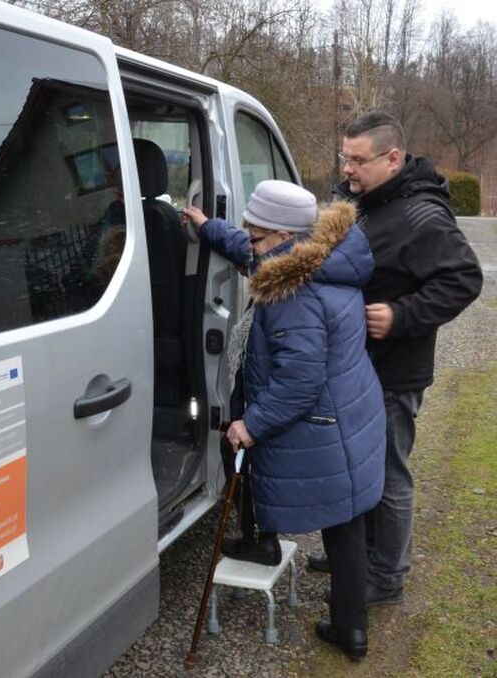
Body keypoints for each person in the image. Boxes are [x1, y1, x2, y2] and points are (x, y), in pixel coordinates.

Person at [183, 180, 386, 659]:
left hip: (322, 421)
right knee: (346, 523)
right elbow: (246, 250)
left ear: (279, 237)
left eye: (255, 236)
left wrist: (249, 425)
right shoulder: (322, 255)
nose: (249, 244)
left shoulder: (292, 292)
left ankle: (270, 549)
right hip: (351, 413)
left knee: (334, 517)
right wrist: (206, 225)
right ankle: (352, 630)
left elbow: (298, 382)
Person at [307, 112, 483, 606]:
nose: (348, 170)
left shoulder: (423, 216)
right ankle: (356, 554)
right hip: (358, 366)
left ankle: (386, 575)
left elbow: (464, 280)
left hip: (394, 371)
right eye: (346, 158)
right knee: (357, 466)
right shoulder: (370, 203)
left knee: (387, 472)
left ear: (393, 158)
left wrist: (402, 315)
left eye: (358, 160)